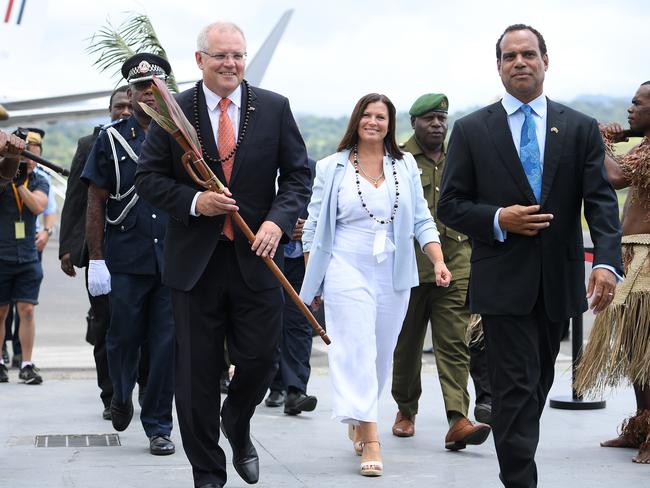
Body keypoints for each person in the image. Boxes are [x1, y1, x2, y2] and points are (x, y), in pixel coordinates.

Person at [437, 24, 622, 488]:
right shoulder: (473, 130)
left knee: (535, 387)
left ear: (545, 60)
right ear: (498, 66)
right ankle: (521, 480)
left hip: (558, 285)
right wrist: (500, 218)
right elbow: (451, 204)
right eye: (509, 56)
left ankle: (518, 455)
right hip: (501, 283)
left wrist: (605, 261)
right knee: (516, 389)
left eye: (528, 54)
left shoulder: (578, 127)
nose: (519, 62)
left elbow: (599, 201)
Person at [135, 22, 311, 488]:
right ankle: (208, 475)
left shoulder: (274, 108)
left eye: (237, 55)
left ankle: (237, 421)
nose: (230, 64)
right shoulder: (173, 113)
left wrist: (277, 221)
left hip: (258, 258)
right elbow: (148, 180)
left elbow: (297, 176)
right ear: (199, 61)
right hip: (195, 266)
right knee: (194, 378)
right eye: (220, 56)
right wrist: (196, 203)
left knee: (260, 362)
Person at [300, 93, 451, 477]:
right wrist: (312, 275)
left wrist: (437, 259)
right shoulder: (330, 167)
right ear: (356, 120)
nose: (373, 121)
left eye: (381, 116)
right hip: (344, 266)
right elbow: (313, 228)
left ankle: (358, 414)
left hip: (392, 271)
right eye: (366, 115)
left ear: (390, 123)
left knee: (382, 354)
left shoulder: (404, 167)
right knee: (356, 348)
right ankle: (370, 436)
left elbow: (421, 220)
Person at [82, 53, 175, 456]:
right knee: (122, 338)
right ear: (131, 94)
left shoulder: (182, 135)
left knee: (165, 345)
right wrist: (96, 258)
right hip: (126, 257)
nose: (148, 95)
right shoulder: (111, 138)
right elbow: (96, 200)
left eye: (155, 87)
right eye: (141, 89)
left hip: (172, 257)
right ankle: (121, 393)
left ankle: (158, 426)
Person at [390, 93, 491, 448]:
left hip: (456, 263)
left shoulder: (460, 157)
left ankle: (457, 419)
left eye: (442, 119)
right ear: (414, 122)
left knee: (453, 343)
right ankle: (405, 408)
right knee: (407, 345)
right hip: (408, 266)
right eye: (430, 118)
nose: (437, 124)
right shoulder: (397, 159)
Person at [575, 81, 650, 464]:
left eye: (637, 104)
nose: (629, 110)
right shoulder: (645, 144)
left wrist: (597, 140)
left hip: (648, 260)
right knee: (637, 348)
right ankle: (642, 426)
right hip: (634, 257)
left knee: (648, 349)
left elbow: (616, 177)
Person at [59, 85, 132, 420]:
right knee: (104, 325)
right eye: (119, 107)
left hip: (140, 252)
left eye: (130, 107)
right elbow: (76, 198)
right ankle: (111, 394)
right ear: (110, 109)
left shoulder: (155, 144)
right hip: (101, 254)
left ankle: (140, 390)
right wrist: (68, 248)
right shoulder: (91, 145)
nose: (125, 112)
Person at [264, 158, 318, 415]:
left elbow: (327, 213)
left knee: (299, 322)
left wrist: (309, 227)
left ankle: (296, 391)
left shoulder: (314, 168)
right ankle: (275, 385)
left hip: (299, 260)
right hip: (265, 257)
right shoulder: (257, 164)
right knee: (269, 322)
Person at [0, 130, 49, 384]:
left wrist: (20, 186)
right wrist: (9, 173)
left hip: (28, 257)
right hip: (2, 254)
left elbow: (39, 206)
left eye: (33, 158)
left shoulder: (39, 182)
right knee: (0, 312)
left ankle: (27, 363)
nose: (29, 162)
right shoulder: (3, 178)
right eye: (25, 156)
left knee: (27, 310)